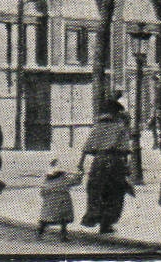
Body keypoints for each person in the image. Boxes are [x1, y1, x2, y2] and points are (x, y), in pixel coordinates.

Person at [77, 98, 134, 233]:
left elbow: (86, 148)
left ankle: (94, 217)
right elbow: (125, 149)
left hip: (98, 162)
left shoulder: (97, 127)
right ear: (116, 113)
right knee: (115, 193)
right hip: (115, 163)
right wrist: (127, 167)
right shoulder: (120, 127)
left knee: (97, 190)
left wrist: (80, 164)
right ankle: (106, 223)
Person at [36, 158, 81, 239]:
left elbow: (42, 193)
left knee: (45, 219)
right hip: (62, 202)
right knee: (64, 219)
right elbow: (76, 181)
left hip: (49, 203)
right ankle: (63, 236)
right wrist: (80, 173)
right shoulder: (64, 179)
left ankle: (40, 234)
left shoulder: (47, 180)